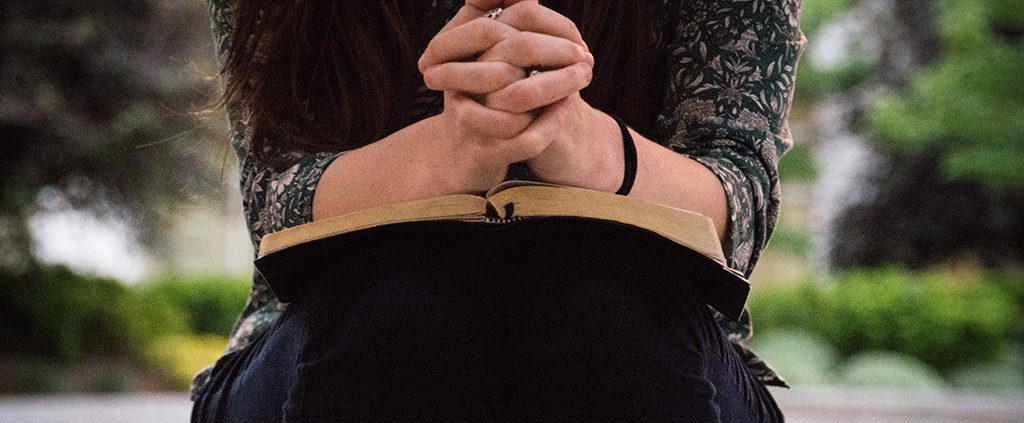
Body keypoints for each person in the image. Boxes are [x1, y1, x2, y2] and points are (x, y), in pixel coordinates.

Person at [191, 0, 804, 421]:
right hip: (335, 335)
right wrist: (443, 154)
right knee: (404, 317)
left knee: (605, 321)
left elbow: (740, 214)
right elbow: (271, 203)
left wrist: (586, 144)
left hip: (648, 340)